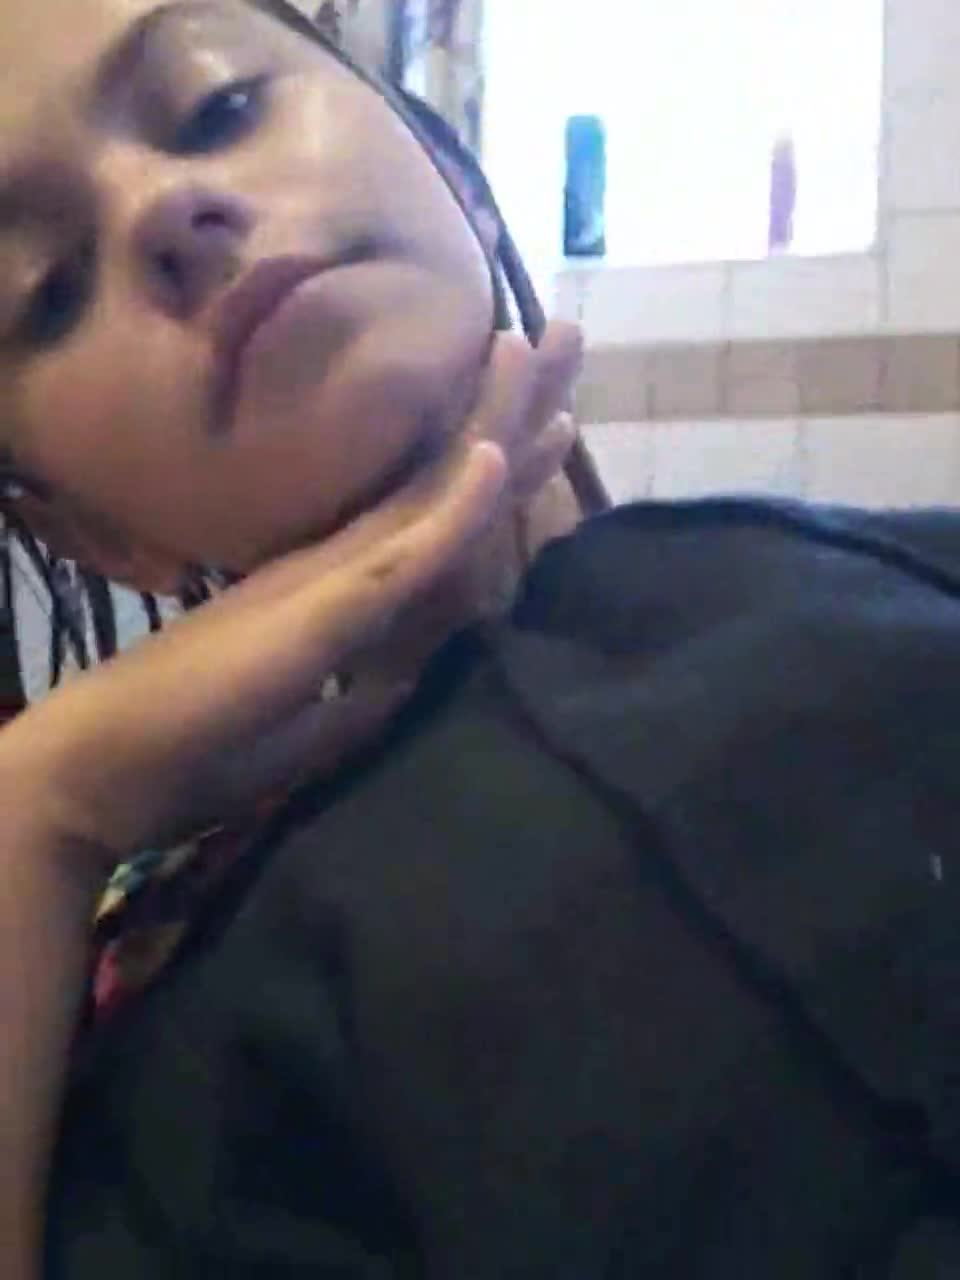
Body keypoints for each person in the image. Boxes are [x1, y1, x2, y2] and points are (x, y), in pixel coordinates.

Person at [2, 2, 960, 1277]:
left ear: (456, 173)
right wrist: (37, 807)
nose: (160, 212)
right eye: (49, 291)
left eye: (217, 105)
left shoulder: (900, 579)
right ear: (93, 536)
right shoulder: (136, 1040)